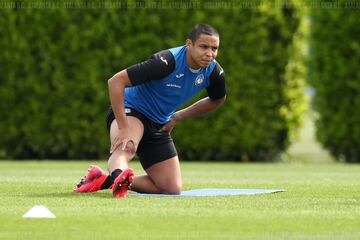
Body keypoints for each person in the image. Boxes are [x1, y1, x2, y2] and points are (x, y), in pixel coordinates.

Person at [75, 23, 226, 198]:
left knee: (171, 189)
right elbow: (115, 82)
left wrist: (177, 117)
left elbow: (217, 99)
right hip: (132, 111)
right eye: (204, 47)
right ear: (189, 44)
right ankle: (118, 181)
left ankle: (105, 180)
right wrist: (123, 127)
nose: (210, 53)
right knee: (126, 148)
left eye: (214, 48)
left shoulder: (214, 71)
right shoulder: (166, 62)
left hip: (159, 123)